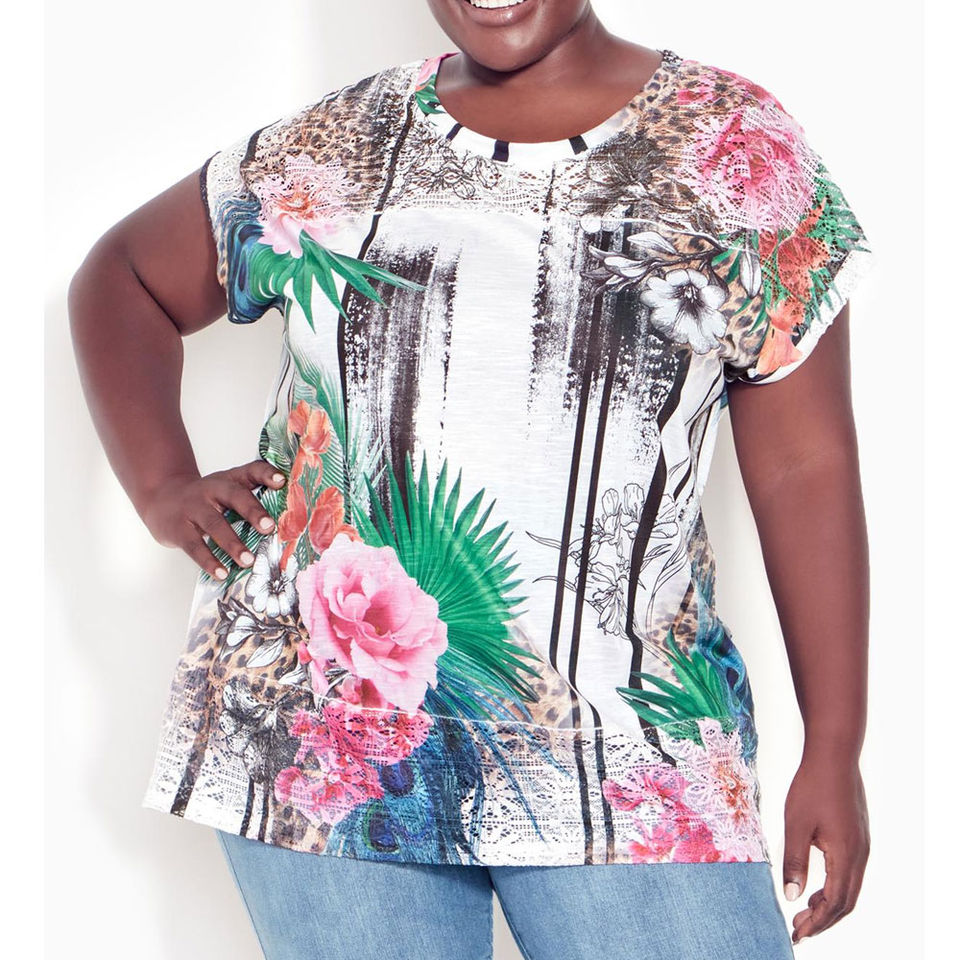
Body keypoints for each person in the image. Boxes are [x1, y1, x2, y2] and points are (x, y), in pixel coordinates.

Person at [68, 1, 874, 958]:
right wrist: (162, 486)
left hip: (630, 751)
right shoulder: (335, 146)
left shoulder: (731, 150)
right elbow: (124, 277)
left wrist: (836, 743)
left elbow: (804, 464)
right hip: (326, 732)